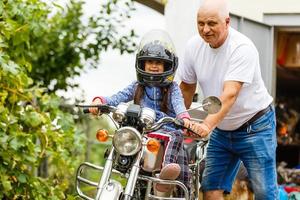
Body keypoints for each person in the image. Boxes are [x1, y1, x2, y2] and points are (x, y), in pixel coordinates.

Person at [178, 0, 278, 199]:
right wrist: (178, 116)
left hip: (255, 127)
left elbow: (230, 94)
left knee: (264, 193)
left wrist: (206, 125)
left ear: (227, 22)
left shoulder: (242, 48)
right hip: (222, 130)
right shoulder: (193, 46)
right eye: (200, 23)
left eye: (212, 23)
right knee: (210, 189)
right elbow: (187, 88)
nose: (205, 29)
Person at [89, 29, 193, 193]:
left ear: (167, 65)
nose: (153, 66)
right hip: (141, 131)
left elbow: (179, 104)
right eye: (149, 61)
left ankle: (165, 176)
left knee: (177, 135)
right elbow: (119, 97)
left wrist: (184, 117)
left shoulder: (172, 88)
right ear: (141, 63)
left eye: (158, 63)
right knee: (122, 133)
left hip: (165, 129)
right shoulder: (137, 86)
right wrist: (100, 101)